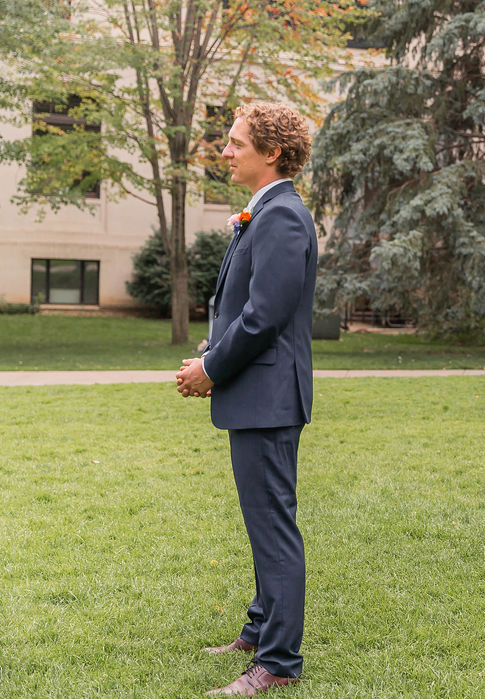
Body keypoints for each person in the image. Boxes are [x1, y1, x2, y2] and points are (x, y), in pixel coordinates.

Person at [176, 102, 317, 695]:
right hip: (256, 392)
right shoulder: (262, 213)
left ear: (272, 153)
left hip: (268, 396)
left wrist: (210, 366)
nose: (225, 151)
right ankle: (259, 629)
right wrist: (214, 346)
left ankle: (278, 663)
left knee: (272, 526)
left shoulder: (283, 216)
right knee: (263, 520)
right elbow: (243, 310)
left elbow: (264, 319)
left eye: (236, 143)